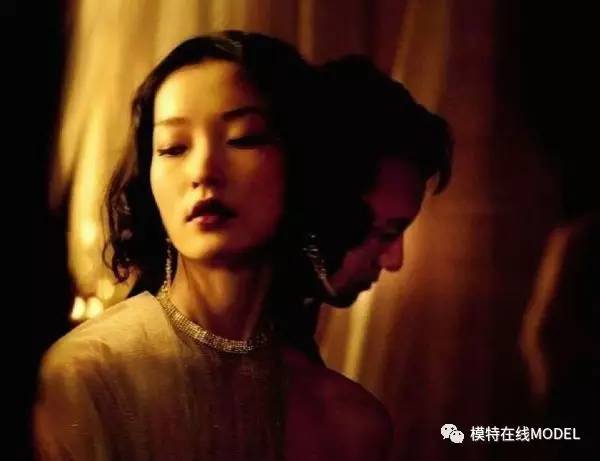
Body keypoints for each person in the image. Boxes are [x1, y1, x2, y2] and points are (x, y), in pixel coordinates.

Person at [33, 32, 392, 461]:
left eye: (243, 138)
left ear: (301, 162)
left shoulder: (349, 422)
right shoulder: (85, 377)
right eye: (173, 148)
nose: (203, 170)